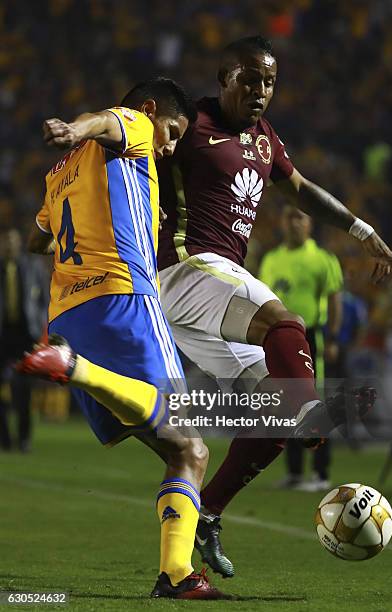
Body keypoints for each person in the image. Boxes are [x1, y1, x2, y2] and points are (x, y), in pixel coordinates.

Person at [156, 36, 392, 577]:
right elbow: (134, 145)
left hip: (207, 292)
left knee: (272, 412)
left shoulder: (264, 139)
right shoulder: (190, 122)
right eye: (249, 79)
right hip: (189, 266)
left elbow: (302, 188)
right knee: (285, 323)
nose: (260, 91)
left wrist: (360, 229)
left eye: (268, 81)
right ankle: (311, 413)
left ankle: (208, 514)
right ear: (223, 78)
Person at [16, 77, 227, 600]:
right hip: (124, 296)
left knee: (187, 453)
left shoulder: (60, 173)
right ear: (152, 111)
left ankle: (175, 575)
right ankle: (72, 367)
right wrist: (74, 128)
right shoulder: (132, 123)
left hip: (69, 312)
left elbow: (36, 237)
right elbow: (108, 118)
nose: (170, 146)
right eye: (171, 132)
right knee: (190, 441)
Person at [258, 205, 343, 492]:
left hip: (310, 336)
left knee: (313, 403)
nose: (294, 222)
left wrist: (332, 338)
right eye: (289, 216)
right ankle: (294, 471)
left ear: (309, 224)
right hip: (278, 338)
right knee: (286, 404)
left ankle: (321, 473)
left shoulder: (322, 259)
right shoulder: (271, 259)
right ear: (282, 222)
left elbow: (334, 301)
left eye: (300, 217)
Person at [0, 228, 49, 452]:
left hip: (25, 334)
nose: (10, 244)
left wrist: (39, 323)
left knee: (24, 390)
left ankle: (24, 439)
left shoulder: (32, 267)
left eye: (13, 240)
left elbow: (44, 300)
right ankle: (5, 439)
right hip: (3, 335)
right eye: (6, 241)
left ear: (18, 243)